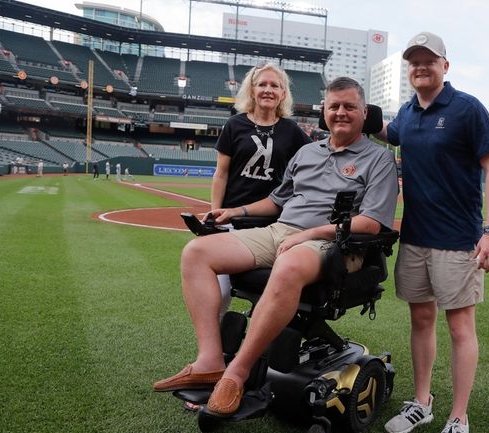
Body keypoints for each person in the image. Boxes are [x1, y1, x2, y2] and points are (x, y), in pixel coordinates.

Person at [152, 78, 399, 418]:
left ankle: (236, 373)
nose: (341, 112)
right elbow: (276, 200)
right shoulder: (307, 151)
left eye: (349, 107)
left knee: (291, 262)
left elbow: (371, 223)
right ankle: (210, 361)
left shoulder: (380, 159)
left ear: (364, 112)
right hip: (281, 231)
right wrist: (235, 212)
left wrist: (309, 234)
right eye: (334, 106)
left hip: (338, 245)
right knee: (197, 253)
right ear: (324, 111)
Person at [376, 32, 489, 433]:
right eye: (413, 61)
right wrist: (351, 112)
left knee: (460, 327)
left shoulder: (467, 108)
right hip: (415, 237)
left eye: (429, 60)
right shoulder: (408, 113)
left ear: (444, 66)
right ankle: (422, 402)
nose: (420, 66)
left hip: (457, 240)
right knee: (420, 320)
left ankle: (458, 416)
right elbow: (389, 132)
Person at [211, 62, 311, 318]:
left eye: (275, 85)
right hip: (233, 221)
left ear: (283, 94)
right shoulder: (234, 125)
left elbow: (314, 159)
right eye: (262, 84)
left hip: (275, 224)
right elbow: (221, 173)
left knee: (270, 290)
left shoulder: (291, 130)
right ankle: (216, 349)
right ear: (252, 90)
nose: (268, 89)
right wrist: (216, 214)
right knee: (220, 292)